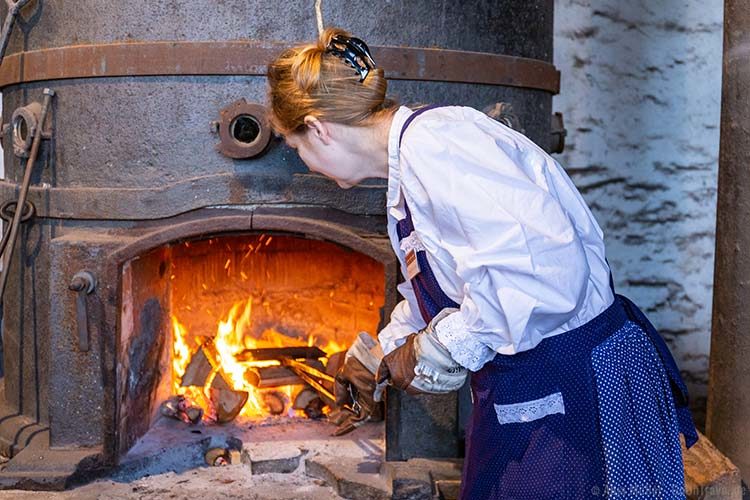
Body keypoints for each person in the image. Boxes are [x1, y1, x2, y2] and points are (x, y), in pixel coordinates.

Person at [267, 27, 698, 500]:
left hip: (577, 389)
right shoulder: (411, 168)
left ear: (320, 128)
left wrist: (434, 348)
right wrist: (380, 356)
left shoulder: (441, 145)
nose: (306, 164)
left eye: (296, 146)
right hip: (532, 388)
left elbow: (543, 276)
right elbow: (443, 285)